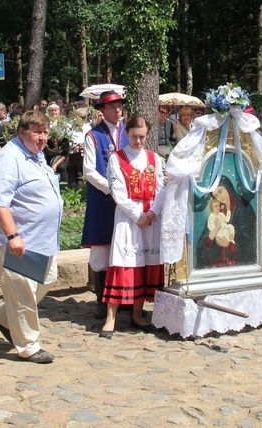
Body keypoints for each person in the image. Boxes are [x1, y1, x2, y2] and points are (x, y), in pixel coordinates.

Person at [0, 110, 62, 363]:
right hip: (19, 239)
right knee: (22, 292)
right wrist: (13, 235)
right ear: (21, 132)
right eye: (37, 132)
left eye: (45, 132)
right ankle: (28, 344)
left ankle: (3, 319)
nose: (42, 138)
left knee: (48, 278)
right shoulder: (9, 158)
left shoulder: (36, 155)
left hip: (41, 238)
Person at [99, 115, 165, 338]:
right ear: (126, 133)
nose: (138, 141)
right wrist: (138, 215)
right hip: (129, 219)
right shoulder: (117, 159)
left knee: (145, 263)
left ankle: (138, 314)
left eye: (142, 137)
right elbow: (117, 191)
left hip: (151, 219)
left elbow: (161, 188)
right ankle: (111, 318)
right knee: (123, 263)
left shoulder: (154, 158)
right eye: (135, 136)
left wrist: (153, 211)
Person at [81, 91, 128, 318]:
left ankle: (125, 297)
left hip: (127, 201)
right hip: (103, 199)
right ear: (102, 110)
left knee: (126, 245)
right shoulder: (93, 135)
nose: (117, 110)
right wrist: (110, 188)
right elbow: (89, 170)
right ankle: (101, 298)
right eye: (113, 107)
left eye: (120, 106)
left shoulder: (129, 132)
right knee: (101, 248)